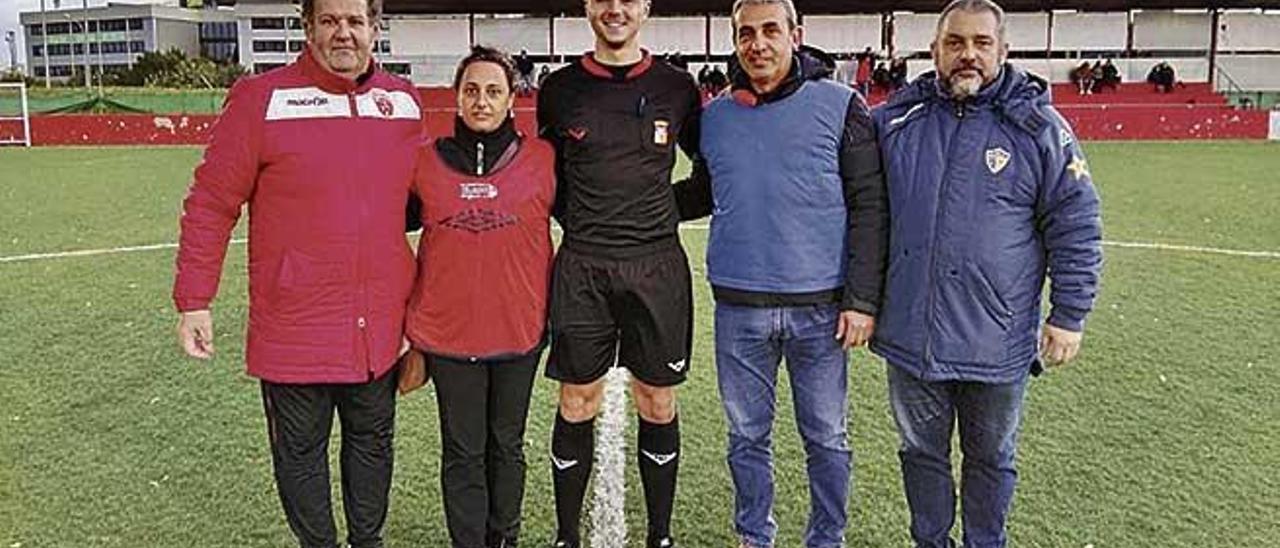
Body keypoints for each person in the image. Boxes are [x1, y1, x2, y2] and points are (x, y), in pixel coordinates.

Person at [172, 0, 423, 546]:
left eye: (356, 21)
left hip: (377, 328)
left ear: (375, 29)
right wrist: (194, 299)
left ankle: (367, 541)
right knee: (301, 458)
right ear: (307, 27)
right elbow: (212, 202)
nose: (343, 34)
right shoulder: (260, 100)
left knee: (373, 445)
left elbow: (430, 195)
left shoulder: (402, 103)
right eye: (330, 21)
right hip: (295, 329)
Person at [870, 1, 1103, 547]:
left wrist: (1069, 314)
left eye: (980, 42)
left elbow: (1076, 220)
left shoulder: (1040, 127)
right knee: (919, 454)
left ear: (1003, 51)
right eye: (955, 43)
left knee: (992, 459)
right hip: (912, 336)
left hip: (996, 342)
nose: (967, 54)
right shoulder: (896, 122)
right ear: (934, 51)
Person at [673, 1, 887, 546]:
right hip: (739, 309)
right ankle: (754, 535)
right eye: (747, 33)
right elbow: (704, 191)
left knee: (827, 437)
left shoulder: (842, 105)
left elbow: (869, 206)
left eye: (771, 30)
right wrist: (629, 203)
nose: (758, 44)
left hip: (822, 311)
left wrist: (861, 301)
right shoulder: (714, 117)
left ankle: (827, 537)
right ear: (735, 42)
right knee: (746, 436)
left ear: (796, 34)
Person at [536, 0, 706, 547]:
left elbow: (711, 173)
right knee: (576, 400)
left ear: (645, 7)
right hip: (583, 265)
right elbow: (550, 183)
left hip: (657, 267)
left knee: (657, 400)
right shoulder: (559, 89)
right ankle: (567, 536)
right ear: (587, 6)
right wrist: (591, 221)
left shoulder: (677, 87)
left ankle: (660, 536)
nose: (615, 9)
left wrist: (655, 212)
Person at [404, 45, 555, 548]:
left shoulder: (543, 159)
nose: (482, 101)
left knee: (506, 447)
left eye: (494, 91)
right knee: (463, 450)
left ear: (513, 99)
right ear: (457, 97)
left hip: (519, 332)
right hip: (449, 337)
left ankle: (503, 538)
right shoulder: (424, 163)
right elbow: (379, 229)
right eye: (472, 90)